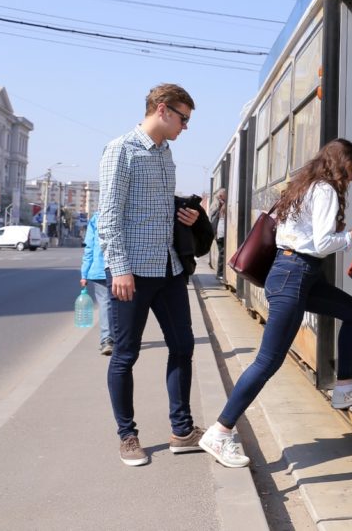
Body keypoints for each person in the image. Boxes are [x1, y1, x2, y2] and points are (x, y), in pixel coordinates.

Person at [198, 138, 352, 468]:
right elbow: (323, 243)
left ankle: (344, 388)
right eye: (351, 171)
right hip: (294, 274)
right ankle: (221, 431)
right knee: (268, 361)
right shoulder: (323, 190)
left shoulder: (304, 186)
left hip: (298, 274)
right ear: (340, 166)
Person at [98, 83, 204, 467]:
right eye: (183, 118)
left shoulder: (166, 153)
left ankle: (182, 431)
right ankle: (127, 436)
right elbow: (108, 215)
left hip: (169, 267)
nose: (185, 127)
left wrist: (186, 215)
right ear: (162, 110)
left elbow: (155, 209)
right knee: (125, 354)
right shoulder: (121, 150)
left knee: (183, 347)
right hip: (133, 272)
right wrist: (120, 268)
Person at [80, 211, 113, 355]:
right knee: (123, 305)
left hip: (99, 269)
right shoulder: (129, 212)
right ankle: (120, 338)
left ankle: (107, 340)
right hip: (124, 270)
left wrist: (84, 273)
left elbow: (89, 247)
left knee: (105, 305)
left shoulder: (96, 217)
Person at [210, 189, 227, 280]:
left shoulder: (220, 204)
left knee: (222, 252)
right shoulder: (218, 205)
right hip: (220, 233)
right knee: (222, 253)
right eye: (225, 194)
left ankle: (220, 273)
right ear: (221, 196)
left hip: (220, 232)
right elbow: (213, 219)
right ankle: (220, 273)